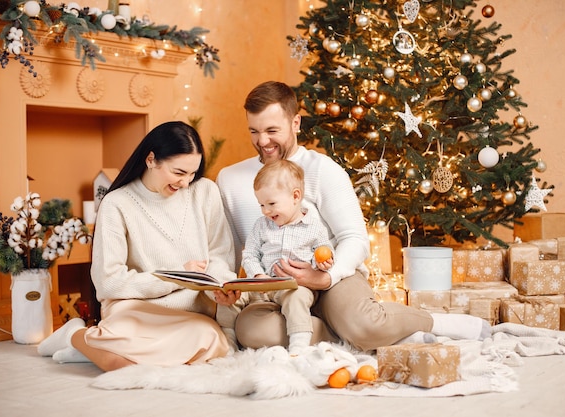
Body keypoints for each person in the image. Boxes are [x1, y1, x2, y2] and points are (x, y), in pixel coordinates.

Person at [216, 81, 490, 352]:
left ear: (296, 123)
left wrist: (325, 277)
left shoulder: (323, 169)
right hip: (279, 290)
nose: (263, 141)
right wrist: (228, 286)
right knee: (252, 332)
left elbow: (355, 239)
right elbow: (233, 253)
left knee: (365, 325)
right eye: (254, 131)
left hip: (333, 280)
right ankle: (347, 332)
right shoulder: (230, 179)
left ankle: (429, 323)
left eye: (272, 130)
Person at [37, 121, 241, 371]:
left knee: (209, 339)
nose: (186, 183)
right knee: (122, 360)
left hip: (191, 313)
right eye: (178, 173)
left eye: (192, 173)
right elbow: (108, 281)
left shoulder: (205, 192)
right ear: (151, 159)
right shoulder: (117, 204)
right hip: (135, 310)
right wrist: (176, 277)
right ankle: (76, 336)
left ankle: (91, 346)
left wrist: (218, 288)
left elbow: (220, 256)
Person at [216, 159, 334, 354]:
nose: (266, 211)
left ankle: (298, 345)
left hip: (295, 287)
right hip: (263, 286)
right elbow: (250, 254)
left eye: (271, 203)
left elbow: (324, 250)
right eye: (261, 204)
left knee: (296, 298)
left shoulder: (314, 227)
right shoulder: (261, 226)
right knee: (230, 291)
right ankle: (228, 339)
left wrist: (322, 263)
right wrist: (258, 276)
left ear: (295, 196)